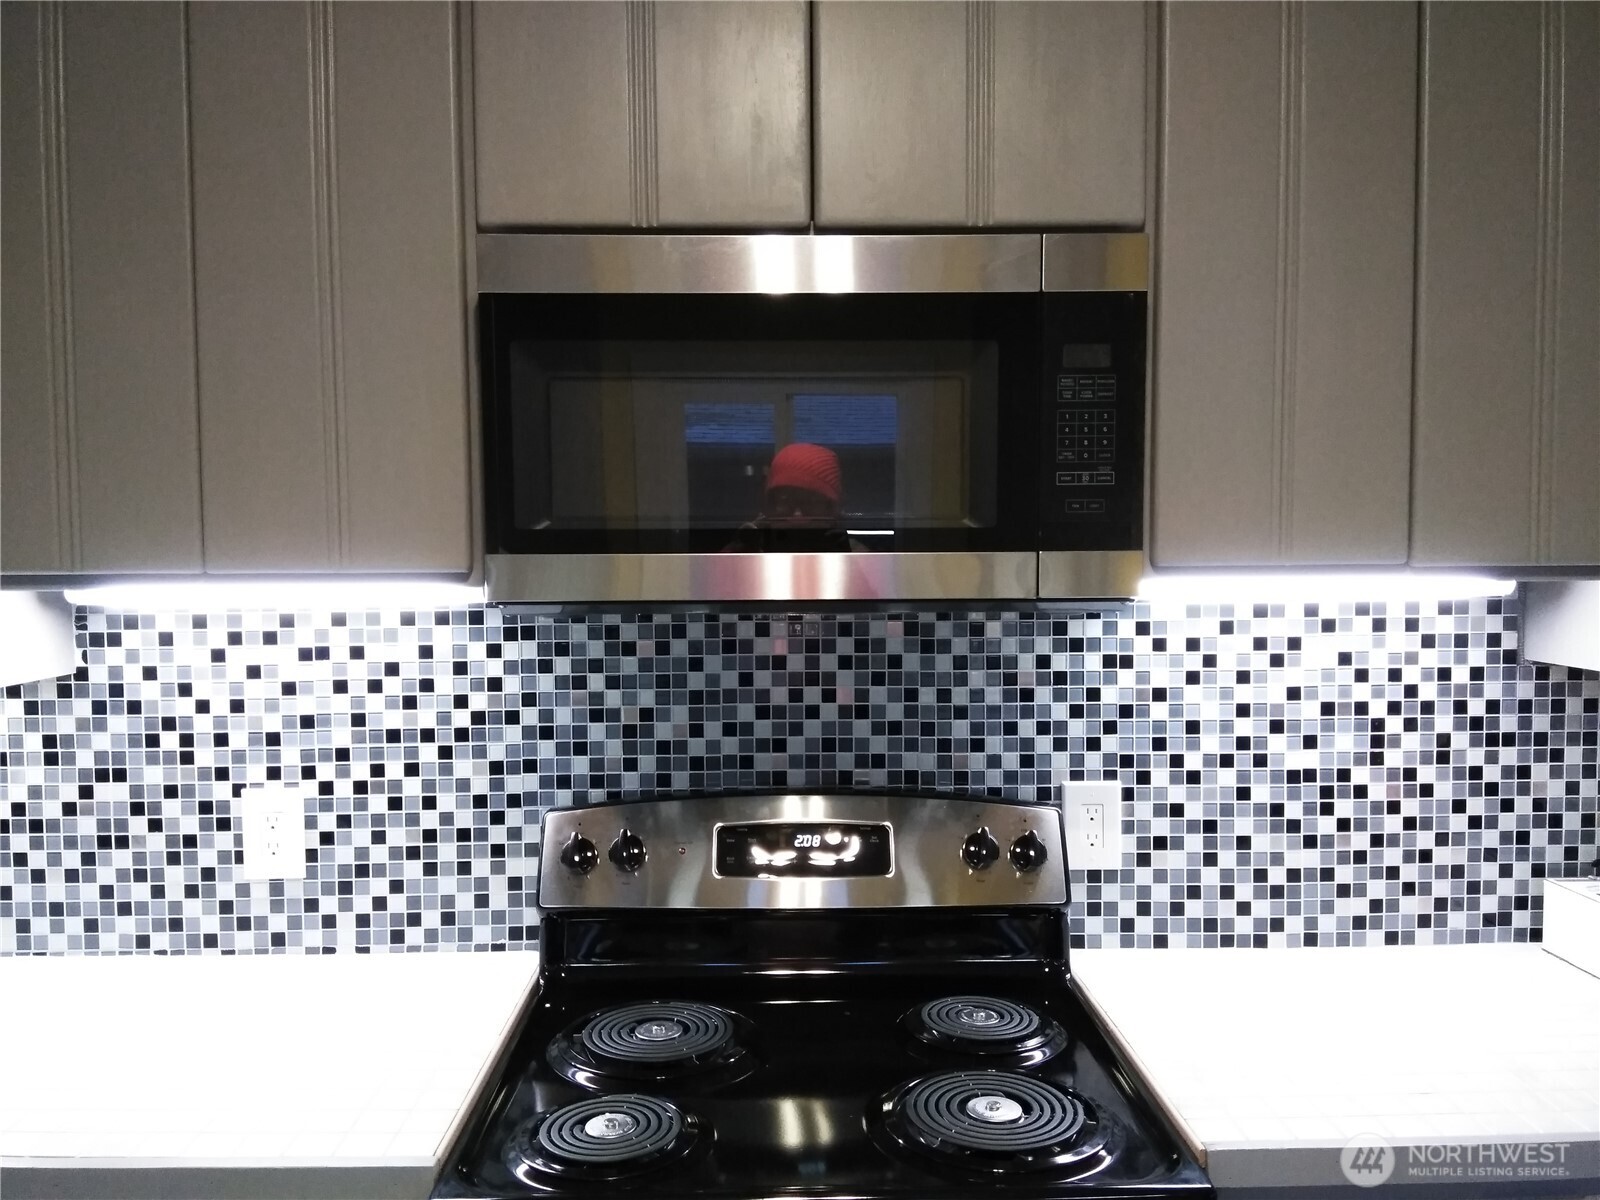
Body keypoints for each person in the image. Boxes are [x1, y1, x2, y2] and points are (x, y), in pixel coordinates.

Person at [723, 442, 866, 552]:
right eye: (786, 501)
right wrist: (741, 549)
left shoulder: (857, 556)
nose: (797, 515)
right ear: (770, 506)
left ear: (831, 508)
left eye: (810, 502)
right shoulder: (749, 547)